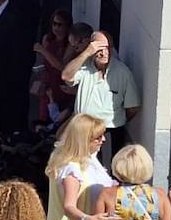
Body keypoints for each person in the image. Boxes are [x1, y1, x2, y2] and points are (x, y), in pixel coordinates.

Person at [61, 30, 142, 159]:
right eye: (99, 48)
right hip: (82, 130)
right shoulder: (85, 66)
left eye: (107, 48)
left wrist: (116, 120)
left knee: (105, 172)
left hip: (108, 132)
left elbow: (133, 107)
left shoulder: (123, 72)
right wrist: (86, 53)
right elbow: (66, 75)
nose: (103, 52)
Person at [0, 0, 41, 143]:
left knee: (9, 104)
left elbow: (7, 37)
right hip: (21, 63)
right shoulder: (32, 1)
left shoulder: (15, 5)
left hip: (9, 66)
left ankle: (11, 137)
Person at [32, 8, 73, 128]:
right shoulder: (48, 39)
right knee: (44, 118)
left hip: (61, 84)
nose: (56, 28)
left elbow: (62, 66)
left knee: (59, 120)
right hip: (48, 83)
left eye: (60, 25)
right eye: (54, 24)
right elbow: (42, 63)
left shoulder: (70, 44)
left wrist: (43, 51)